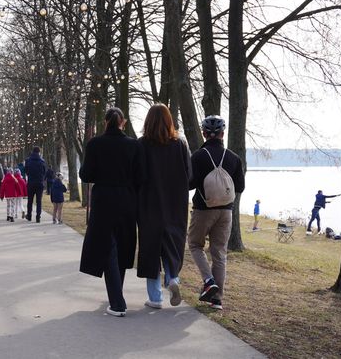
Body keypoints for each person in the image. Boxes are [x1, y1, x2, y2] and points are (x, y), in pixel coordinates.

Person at [79, 107, 140, 317]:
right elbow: (140, 176)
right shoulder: (133, 145)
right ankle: (117, 296)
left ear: (105, 122)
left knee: (107, 247)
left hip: (103, 199)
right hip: (127, 199)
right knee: (122, 247)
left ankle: (117, 302)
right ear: (122, 122)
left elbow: (86, 175)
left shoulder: (95, 144)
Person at [136, 104, 191, 309]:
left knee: (151, 250)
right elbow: (189, 176)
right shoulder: (180, 145)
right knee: (171, 246)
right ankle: (172, 279)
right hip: (175, 205)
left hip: (149, 204)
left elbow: (138, 176)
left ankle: (155, 298)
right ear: (170, 121)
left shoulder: (141, 145)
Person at [188, 115, 245, 310]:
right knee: (219, 253)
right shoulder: (234, 158)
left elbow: (189, 184)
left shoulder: (198, 156)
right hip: (226, 212)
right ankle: (217, 300)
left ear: (204, 134)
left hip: (203, 210)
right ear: (223, 133)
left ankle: (208, 280)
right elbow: (240, 187)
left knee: (195, 245)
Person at [24, 146, 47, 222]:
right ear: (39, 152)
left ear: (32, 152)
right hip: (39, 183)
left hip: (31, 182)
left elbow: (26, 171)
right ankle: (38, 216)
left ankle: (29, 215)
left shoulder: (28, 160)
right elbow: (44, 172)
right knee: (38, 201)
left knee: (30, 200)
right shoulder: (42, 161)